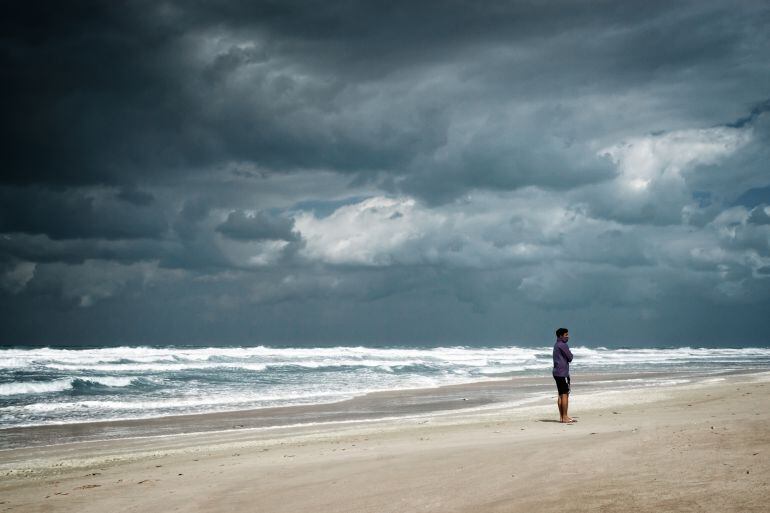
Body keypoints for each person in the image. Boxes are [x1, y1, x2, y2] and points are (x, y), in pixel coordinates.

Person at [552, 328, 574, 423]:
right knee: (565, 394)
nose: (568, 336)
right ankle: (565, 417)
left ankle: (562, 417)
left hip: (557, 372)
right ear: (561, 336)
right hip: (562, 373)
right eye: (566, 335)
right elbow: (570, 357)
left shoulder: (556, 345)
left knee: (561, 394)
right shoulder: (563, 345)